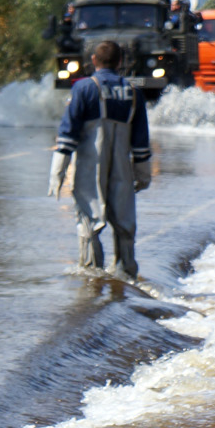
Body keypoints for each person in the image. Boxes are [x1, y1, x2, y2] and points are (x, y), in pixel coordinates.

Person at [48, 39, 151, 278]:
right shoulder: (134, 92)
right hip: (122, 167)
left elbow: (68, 132)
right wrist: (143, 174)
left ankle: (92, 278)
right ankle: (127, 278)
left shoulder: (84, 88)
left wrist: (58, 173)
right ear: (121, 62)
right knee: (124, 221)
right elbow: (140, 139)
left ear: (94, 60)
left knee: (88, 220)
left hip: (90, 164)